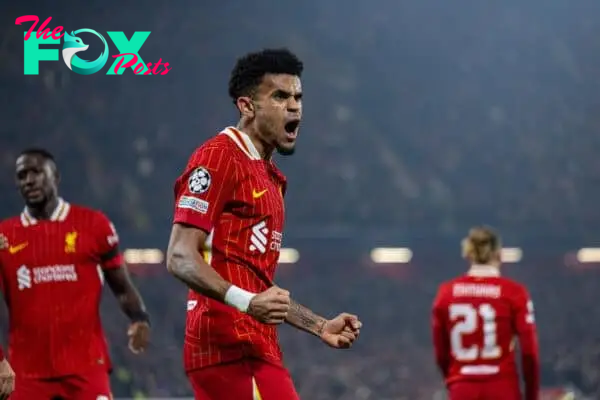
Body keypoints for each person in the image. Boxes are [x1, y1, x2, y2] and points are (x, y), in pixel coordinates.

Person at [167, 48, 362, 400]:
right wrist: (247, 303)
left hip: (254, 346)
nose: (295, 106)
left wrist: (319, 326)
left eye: (298, 97)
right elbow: (180, 256)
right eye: (280, 96)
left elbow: (258, 286)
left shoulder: (272, 179)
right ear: (247, 106)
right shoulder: (219, 156)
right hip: (228, 347)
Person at [0, 148, 151, 400]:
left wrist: (139, 318)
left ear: (55, 176)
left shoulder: (94, 225)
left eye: (36, 172)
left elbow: (121, 286)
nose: (28, 180)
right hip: (26, 375)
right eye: (21, 175)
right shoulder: (5, 237)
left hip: (86, 370)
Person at [431, 226, 540, 400]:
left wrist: (454, 382)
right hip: (502, 387)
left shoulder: (446, 293)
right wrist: (532, 395)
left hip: (462, 388)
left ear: (468, 254)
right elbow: (529, 352)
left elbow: (440, 353)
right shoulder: (514, 292)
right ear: (499, 254)